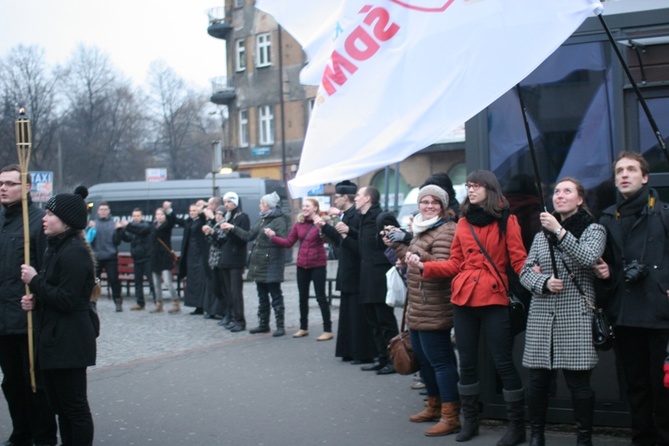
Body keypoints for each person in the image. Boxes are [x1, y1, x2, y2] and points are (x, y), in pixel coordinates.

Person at [407, 170, 527, 445]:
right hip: (463, 299)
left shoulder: (507, 221)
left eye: (476, 186)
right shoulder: (463, 223)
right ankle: (470, 421)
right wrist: (425, 266)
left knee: (503, 362)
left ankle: (517, 426)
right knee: (468, 363)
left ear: (490, 189)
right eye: (469, 186)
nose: (471, 190)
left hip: (494, 297)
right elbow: (455, 264)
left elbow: (519, 262)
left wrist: (539, 279)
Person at [519, 177, 606, 446]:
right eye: (556, 191)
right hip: (542, 316)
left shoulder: (594, 230)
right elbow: (524, 271)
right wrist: (543, 282)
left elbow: (589, 257)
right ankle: (536, 435)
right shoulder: (539, 235)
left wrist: (560, 232)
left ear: (580, 199)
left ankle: (583, 438)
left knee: (578, 384)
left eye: (567, 191)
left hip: (576, 315)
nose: (559, 195)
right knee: (537, 382)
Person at [594, 151, 669, 446]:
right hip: (625, 315)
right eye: (619, 171)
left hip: (660, 315)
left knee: (662, 388)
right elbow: (611, 265)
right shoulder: (608, 217)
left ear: (645, 177)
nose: (624, 175)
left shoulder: (663, 212)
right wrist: (606, 272)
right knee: (634, 387)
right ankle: (642, 440)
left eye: (631, 170)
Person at [20, 186, 97, 446]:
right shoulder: (56, 248)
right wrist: (36, 301)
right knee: (61, 408)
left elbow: (67, 299)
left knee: (74, 408)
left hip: (70, 341)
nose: (44, 217)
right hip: (55, 339)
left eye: (50, 213)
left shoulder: (74, 252)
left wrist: (35, 281)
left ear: (65, 222)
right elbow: (54, 292)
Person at [385, 185, 460, 437]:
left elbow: (441, 265)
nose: (428, 206)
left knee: (441, 361)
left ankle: (450, 416)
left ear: (443, 205)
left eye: (434, 202)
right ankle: (433, 404)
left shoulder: (447, 229)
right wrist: (396, 245)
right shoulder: (421, 227)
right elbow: (414, 261)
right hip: (418, 303)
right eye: (424, 201)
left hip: (435, 304)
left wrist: (410, 246)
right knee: (424, 360)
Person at [0, 164, 57, 446]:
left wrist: (37, 294)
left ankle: (43, 435)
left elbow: (48, 268)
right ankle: (20, 432)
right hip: (3, 318)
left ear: (26, 188)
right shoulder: (0, 220)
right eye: (1, 183)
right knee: (11, 383)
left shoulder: (38, 222)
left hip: (29, 319)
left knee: (34, 382)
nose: (3, 188)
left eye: (10, 183)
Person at [338, 186, 399, 374]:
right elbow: (364, 243)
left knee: (385, 321)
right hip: (365, 277)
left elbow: (394, 242)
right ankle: (381, 358)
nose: (355, 198)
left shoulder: (382, 217)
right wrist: (349, 232)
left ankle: (394, 360)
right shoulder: (363, 219)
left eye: (358, 195)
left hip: (379, 278)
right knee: (373, 321)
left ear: (367, 199)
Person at [319, 180, 377, 363]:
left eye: (337, 197)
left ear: (345, 197)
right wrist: (326, 228)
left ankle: (361, 352)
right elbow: (341, 240)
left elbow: (357, 243)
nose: (335, 201)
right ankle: (349, 350)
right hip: (347, 270)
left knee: (357, 316)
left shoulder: (356, 216)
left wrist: (343, 231)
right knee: (348, 315)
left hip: (355, 271)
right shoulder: (348, 215)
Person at [265, 198, 333, 341]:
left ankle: (327, 329)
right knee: (303, 297)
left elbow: (329, 240)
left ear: (315, 208)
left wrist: (322, 227)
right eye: (304, 206)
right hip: (302, 265)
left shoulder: (321, 223)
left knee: (321, 297)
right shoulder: (298, 224)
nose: (305, 208)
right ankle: (303, 328)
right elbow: (289, 243)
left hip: (318, 264)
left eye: (308, 206)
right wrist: (273, 237)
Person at [222, 191, 287, 337]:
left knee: (275, 295)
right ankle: (264, 324)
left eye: (261, 203)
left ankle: (280, 326)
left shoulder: (279, 220)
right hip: (259, 263)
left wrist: (273, 236)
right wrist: (233, 228)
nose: (259, 205)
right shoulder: (262, 219)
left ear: (268, 205)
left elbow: (283, 240)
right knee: (262, 295)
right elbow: (249, 235)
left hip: (272, 263)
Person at [216, 192, 249, 332]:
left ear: (235, 202)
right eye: (225, 202)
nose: (227, 204)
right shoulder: (228, 217)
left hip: (236, 258)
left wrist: (231, 229)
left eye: (229, 202)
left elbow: (242, 238)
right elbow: (222, 240)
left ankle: (240, 320)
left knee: (236, 291)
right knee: (229, 291)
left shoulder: (242, 217)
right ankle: (232, 317)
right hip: (226, 258)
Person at [86, 202, 123, 311]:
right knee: (95, 281)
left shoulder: (113, 224)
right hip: (96, 256)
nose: (103, 211)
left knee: (114, 280)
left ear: (109, 211)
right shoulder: (93, 224)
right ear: (98, 211)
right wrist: (89, 229)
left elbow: (117, 241)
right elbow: (88, 240)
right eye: (101, 209)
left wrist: (119, 230)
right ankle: (92, 302)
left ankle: (118, 301)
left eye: (105, 209)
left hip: (111, 257)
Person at [121, 208, 156, 310]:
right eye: (134, 216)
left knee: (151, 281)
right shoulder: (131, 227)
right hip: (137, 258)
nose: (136, 218)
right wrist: (121, 230)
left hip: (147, 258)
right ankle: (140, 303)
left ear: (142, 216)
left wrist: (127, 226)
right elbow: (127, 238)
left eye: (138, 216)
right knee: (138, 282)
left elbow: (141, 230)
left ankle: (157, 301)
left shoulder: (145, 225)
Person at [177, 201, 209, 315]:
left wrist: (203, 208)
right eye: (190, 211)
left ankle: (202, 305)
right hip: (190, 255)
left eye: (194, 210)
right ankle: (196, 306)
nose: (192, 213)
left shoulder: (201, 220)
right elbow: (178, 221)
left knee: (201, 280)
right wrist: (169, 212)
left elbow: (204, 218)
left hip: (200, 255)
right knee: (192, 281)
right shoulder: (189, 221)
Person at [149, 203, 180, 313]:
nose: (159, 216)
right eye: (157, 214)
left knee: (167, 282)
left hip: (165, 256)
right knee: (156, 283)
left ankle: (175, 302)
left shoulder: (167, 225)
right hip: (154, 257)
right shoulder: (152, 226)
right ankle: (159, 303)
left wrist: (169, 210)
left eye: (161, 214)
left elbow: (172, 219)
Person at [201, 205, 227, 321]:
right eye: (217, 214)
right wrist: (208, 233)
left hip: (221, 260)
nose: (218, 216)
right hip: (213, 260)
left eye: (221, 214)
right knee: (216, 288)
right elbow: (211, 241)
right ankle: (221, 311)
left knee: (223, 288)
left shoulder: (225, 225)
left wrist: (212, 232)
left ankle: (225, 312)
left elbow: (220, 239)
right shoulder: (215, 224)